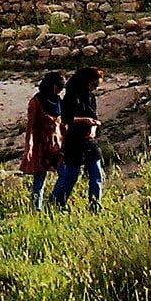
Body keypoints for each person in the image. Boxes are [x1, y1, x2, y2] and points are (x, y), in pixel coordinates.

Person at [53, 67, 104, 212]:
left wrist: (93, 128)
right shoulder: (71, 97)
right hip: (74, 140)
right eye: (93, 85)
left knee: (96, 174)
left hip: (89, 141)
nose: (94, 89)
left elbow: (94, 117)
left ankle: (95, 207)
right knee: (71, 176)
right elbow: (66, 118)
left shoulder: (91, 97)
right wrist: (84, 121)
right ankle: (57, 204)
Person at [19, 71, 65, 211]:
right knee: (39, 180)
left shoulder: (58, 101)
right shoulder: (37, 101)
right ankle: (36, 209)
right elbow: (31, 126)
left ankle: (54, 203)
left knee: (65, 175)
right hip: (41, 144)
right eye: (58, 87)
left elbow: (63, 124)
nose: (59, 90)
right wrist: (30, 147)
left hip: (57, 144)